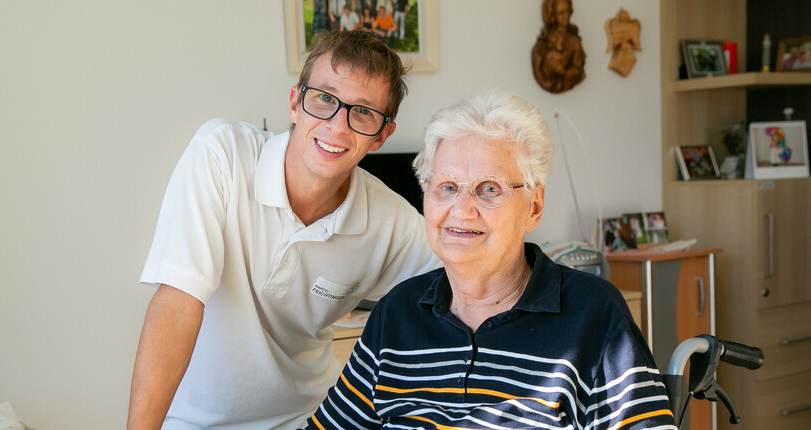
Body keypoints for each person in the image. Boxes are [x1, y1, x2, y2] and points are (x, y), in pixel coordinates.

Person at [300, 89, 675, 428]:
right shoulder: (397, 313)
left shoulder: (593, 314)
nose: (462, 211)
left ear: (534, 207)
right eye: (446, 187)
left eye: (489, 189)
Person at [128, 30, 441, 430]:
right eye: (325, 98)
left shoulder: (389, 219)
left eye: (363, 112)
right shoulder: (221, 154)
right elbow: (177, 304)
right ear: (296, 103)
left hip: (311, 418)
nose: (337, 126)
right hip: (193, 422)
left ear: (381, 135)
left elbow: (471, 283)